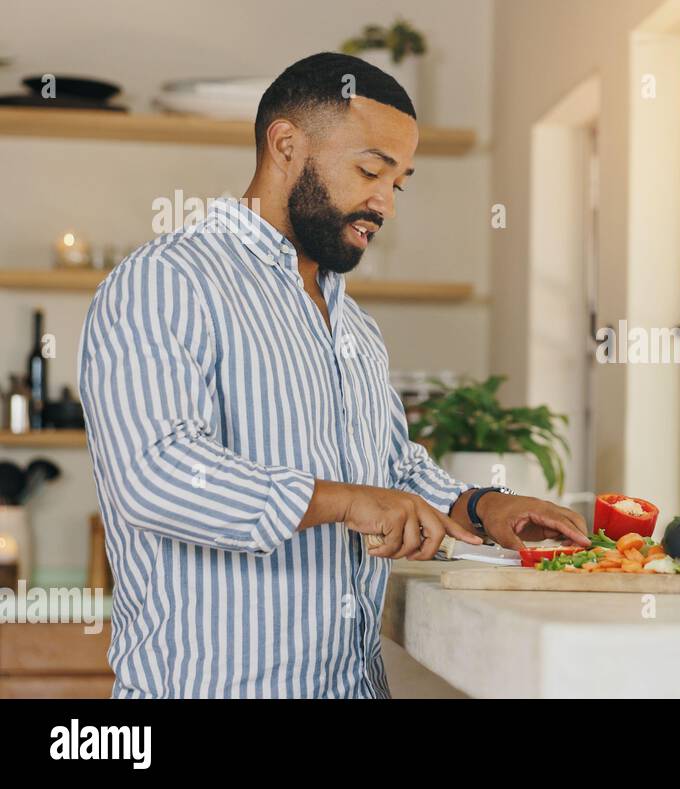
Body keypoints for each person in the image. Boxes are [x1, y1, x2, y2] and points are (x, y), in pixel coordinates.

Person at [78, 52, 589, 698]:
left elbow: (390, 471)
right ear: (285, 144)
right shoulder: (168, 282)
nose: (385, 204)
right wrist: (347, 501)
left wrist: (484, 506)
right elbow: (155, 473)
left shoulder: (354, 326)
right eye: (370, 170)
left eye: (398, 182)